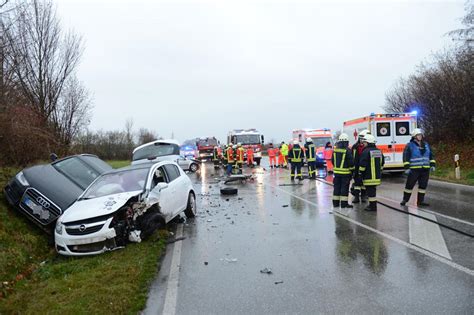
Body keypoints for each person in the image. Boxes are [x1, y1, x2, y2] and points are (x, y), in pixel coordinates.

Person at [400, 128, 436, 207]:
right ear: (414, 136)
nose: (420, 136)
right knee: (409, 186)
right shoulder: (410, 145)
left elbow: (431, 155)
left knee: (423, 186)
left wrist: (432, 165)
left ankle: (420, 201)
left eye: (420, 135)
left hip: (425, 169)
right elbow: (406, 156)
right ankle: (405, 200)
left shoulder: (426, 145)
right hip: (414, 170)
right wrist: (407, 167)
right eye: (418, 135)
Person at [358, 134, 384, 212]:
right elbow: (382, 163)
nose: (364, 144)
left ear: (368, 142)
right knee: (373, 191)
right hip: (377, 176)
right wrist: (379, 171)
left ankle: (372, 207)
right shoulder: (379, 151)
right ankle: (372, 205)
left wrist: (360, 173)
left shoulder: (366, 151)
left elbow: (363, 164)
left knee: (370, 193)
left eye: (365, 142)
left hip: (368, 177)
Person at [332, 133, 355, 208]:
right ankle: (344, 204)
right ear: (346, 142)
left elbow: (333, 161)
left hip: (336, 174)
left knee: (336, 188)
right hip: (345, 174)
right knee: (344, 189)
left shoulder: (335, 150)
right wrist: (352, 171)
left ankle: (335, 203)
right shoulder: (347, 151)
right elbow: (351, 163)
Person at [352, 129, 370, 203]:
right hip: (356, 167)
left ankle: (363, 196)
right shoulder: (355, 147)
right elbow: (352, 158)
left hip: (365, 168)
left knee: (364, 183)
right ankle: (356, 197)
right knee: (357, 183)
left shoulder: (368, 147)